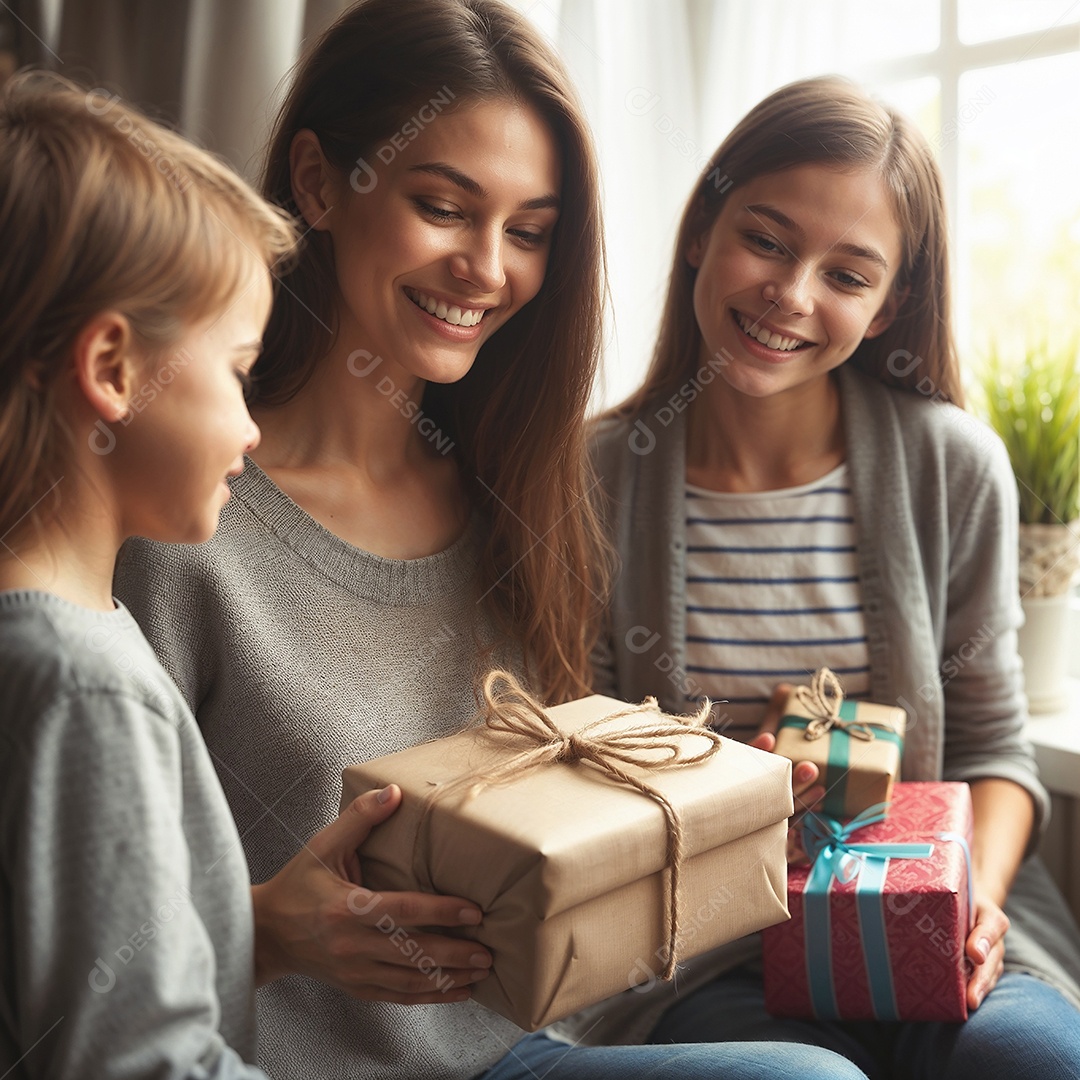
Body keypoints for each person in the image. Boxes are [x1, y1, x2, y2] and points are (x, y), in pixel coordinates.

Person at [114, 4, 867, 1079]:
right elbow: (73, 939)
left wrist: (708, 814)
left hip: (517, 1055)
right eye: (443, 207)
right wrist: (270, 929)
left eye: (528, 231)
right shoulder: (180, 522)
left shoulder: (522, 493)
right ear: (319, 184)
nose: (486, 267)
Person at [586, 74, 1080, 1079]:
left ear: (891, 304)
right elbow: (582, 757)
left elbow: (992, 748)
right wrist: (728, 785)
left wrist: (969, 904)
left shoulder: (954, 464)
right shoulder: (595, 474)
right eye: (765, 240)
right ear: (701, 230)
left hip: (949, 910)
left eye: (847, 275)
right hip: (708, 949)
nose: (791, 293)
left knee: (1029, 1062)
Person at [0, 72, 400, 1078]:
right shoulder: (81, 683)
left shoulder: (59, 637)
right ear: (114, 371)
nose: (251, 425)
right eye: (236, 369)